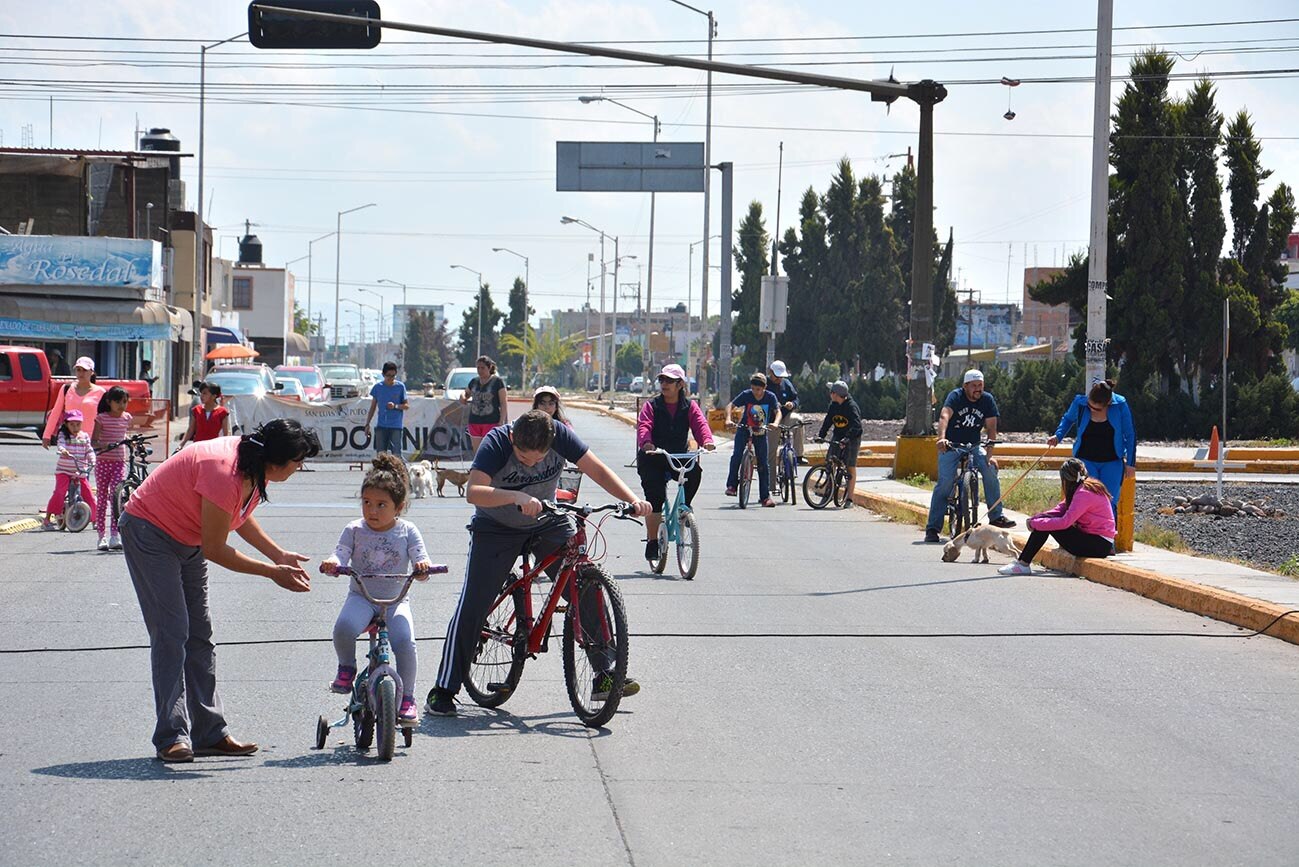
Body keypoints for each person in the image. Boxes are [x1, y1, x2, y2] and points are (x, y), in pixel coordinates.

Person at [425, 409, 651, 716]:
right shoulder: (496, 442)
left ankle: (604, 673)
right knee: (475, 603)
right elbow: (474, 492)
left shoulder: (560, 435)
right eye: (523, 456)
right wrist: (514, 496)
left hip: (547, 520)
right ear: (512, 439)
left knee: (584, 584)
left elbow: (596, 469)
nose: (531, 463)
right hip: (496, 527)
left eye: (538, 457)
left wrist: (632, 499)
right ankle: (444, 688)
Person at [119, 418, 320, 763]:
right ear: (276, 460)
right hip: (150, 532)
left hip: (188, 537)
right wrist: (271, 572)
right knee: (172, 632)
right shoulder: (224, 470)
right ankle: (171, 736)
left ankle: (210, 732)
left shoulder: (253, 465)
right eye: (297, 461)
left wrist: (278, 554)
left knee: (200, 633)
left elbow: (234, 515)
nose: (299, 467)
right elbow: (216, 548)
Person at [321, 453, 432, 726]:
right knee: (344, 628)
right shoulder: (354, 530)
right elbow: (340, 554)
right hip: (363, 597)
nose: (372, 511)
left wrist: (422, 567)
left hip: (395, 600)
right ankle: (346, 666)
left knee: (405, 642)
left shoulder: (407, 531)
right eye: (367, 503)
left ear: (399, 506)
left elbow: (421, 558)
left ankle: (407, 697)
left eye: (381, 505)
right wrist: (333, 564)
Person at [924, 369, 1016, 543]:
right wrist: (942, 439)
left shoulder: (987, 400)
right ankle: (933, 528)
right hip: (952, 445)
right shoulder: (956, 396)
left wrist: (989, 455)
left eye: (980, 385)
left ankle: (996, 516)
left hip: (974, 446)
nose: (977, 389)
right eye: (974, 386)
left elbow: (991, 428)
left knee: (990, 471)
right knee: (945, 482)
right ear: (965, 386)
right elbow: (944, 416)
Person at [636, 363, 716, 561]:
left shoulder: (690, 407)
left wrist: (707, 441)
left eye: (669, 381)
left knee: (695, 472)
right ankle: (653, 541)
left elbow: (700, 425)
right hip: (653, 457)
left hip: (678, 457)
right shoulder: (651, 406)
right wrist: (646, 443)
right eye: (662, 379)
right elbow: (644, 426)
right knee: (655, 499)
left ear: (680, 384)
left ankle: (684, 508)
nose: (664, 384)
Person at [998, 458, 1115, 575]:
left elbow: (1065, 522)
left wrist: (1036, 524)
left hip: (1099, 545)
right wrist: (1036, 518)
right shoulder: (1083, 487)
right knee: (1044, 523)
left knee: (1046, 525)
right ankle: (1022, 563)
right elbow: (1060, 509)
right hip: (1097, 541)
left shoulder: (1084, 493)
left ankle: (1023, 564)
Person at [1047, 378, 1136, 515]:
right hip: (1085, 460)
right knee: (1084, 501)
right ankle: (1084, 535)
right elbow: (1068, 419)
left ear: (1108, 404)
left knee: (1109, 503)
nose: (1091, 410)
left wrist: (1130, 464)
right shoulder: (1080, 403)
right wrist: (1058, 436)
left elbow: (1130, 435)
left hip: (1112, 461)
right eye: (1090, 406)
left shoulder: (1120, 405)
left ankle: (1108, 535)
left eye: (1096, 408)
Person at [725, 372, 781, 507]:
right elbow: (730, 405)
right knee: (737, 455)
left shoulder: (770, 397)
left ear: (765, 388)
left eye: (759, 389)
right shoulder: (746, 395)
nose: (756, 392)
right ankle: (732, 485)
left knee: (763, 463)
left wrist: (776, 423)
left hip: (761, 431)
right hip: (745, 428)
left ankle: (765, 497)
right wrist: (728, 419)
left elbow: (777, 411)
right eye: (754, 389)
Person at [92, 386, 133, 550]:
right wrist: (105, 445)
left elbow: (123, 435)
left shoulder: (127, 418)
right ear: (109, 402)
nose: (122, 405)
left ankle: (115, 536)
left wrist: (131, 441)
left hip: (119, 463)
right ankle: (101, 536)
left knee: (116, 498)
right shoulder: (101, 418)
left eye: (125, 402)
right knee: (102, 500)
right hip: (103, 462)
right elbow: (94, 441)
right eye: (118, 402)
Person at [42, 409, 95, 531]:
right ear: (66, 424)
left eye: (78, 424)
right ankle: (47, 519)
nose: (75, 427)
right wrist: (63, 450)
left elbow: (89, 450)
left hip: (79, 472)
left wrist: (92, 460)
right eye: (72, 424)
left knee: (89, 495)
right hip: (64, 471)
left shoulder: (84, 436)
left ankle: (95, 520)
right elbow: (61, 444)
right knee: (59, 493)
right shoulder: (63, 435)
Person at [816, 380, 863, 507]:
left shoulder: (851, 407)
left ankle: (849, 499)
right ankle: (828, 494)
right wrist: (821, 435)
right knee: (830, 462)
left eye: (831, 392)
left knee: (850, 466)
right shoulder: (833, 406)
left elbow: (857, 426)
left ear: (835, 394)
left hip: (852, 437)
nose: (830, 394)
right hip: (838, 435)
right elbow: (828, 421)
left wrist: (847, 439)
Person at [42, 356, 105, 450]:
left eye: (84, 370)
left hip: (91, 441)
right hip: (69, 438)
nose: (81, 373)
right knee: (68, 464)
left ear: (92, 372)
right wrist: (47, 435)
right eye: (78, 370)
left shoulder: (101, 392)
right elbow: (56, 412)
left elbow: (105, 417)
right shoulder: (66, 389)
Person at [461, 355, 508, 452]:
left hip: (491, 421)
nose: (480, 370)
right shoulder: (474, 382)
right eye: (478, 368)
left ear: (489, 367)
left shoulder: (497, 382)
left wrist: (501, 421)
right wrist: (463, 397)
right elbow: (466, 393)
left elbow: (503, 402)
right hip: (474, 421)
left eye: (482, 368)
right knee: (477, 451)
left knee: (489, 450)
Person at [364, 361, 410, 458]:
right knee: (381, 455)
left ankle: (397, 473)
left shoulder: (400, 387)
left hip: (396, 426)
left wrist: (395, 406)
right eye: (388, 375)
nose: (391, 378)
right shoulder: (377, 388)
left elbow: (406, 406)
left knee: (396, 454)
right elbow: (372, 407)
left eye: (393, 376)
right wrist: (367, 424)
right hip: (381, 426)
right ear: (383, 375)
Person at [766, 359, 805, 473]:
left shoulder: (786, 384)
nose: (779, 379)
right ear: (770, 372)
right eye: (777, 376)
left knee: (799, 421)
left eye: (781, 377)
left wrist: (792, 404)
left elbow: (796, 398)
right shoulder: (765, 384)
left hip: (785, 416)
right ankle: (771, 486)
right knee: (771, 454)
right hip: (771, 421)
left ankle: (798, 455)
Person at [177, 382, 230, 449]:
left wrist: (225, 447)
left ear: (214, 396)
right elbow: (191, 429)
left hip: (213, 447)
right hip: (198, 447)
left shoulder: (222, 412)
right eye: (201, 393)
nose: (201, 396)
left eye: (205, 393)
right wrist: (182, 444)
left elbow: (226, 433)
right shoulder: (196, 410)